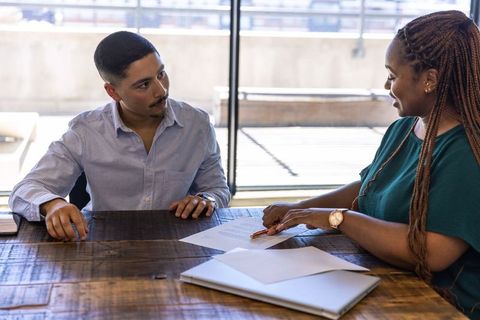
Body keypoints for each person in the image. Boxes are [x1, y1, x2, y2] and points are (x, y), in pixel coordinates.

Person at [262, 11, 480, 319]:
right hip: (385, 282)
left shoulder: (468, 153)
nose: (385, 84)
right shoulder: (403, 129)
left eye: (393, 75)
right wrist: (300, 210)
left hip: (442, 305)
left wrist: (338, 219)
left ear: (430, 79)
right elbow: (369, 189)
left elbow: (431, 253)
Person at [9, 31, 231, 241]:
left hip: (178, 245)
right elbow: (24, 191)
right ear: (113, 92)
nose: (161, 90)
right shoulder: (86, 131)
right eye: (144, 84)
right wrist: (54, 205)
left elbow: (218, 190)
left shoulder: (197, 125)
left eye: (161, 74)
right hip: (101, 246)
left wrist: (206, 199)